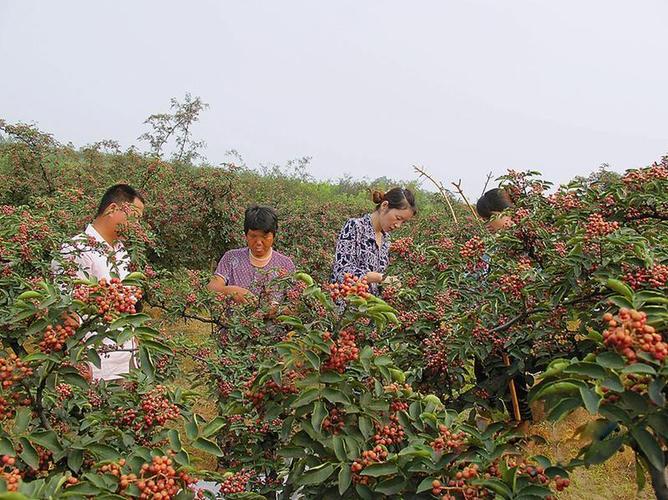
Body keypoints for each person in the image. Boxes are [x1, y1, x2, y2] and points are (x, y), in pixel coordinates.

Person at [53, 184, 145, 381]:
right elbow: (66, 310)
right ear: (112, 209)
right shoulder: (76, 249)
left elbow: (128, 305)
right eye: (134, 218)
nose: (137, 226)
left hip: (126, 361)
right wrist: (78, 359)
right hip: (94, 366)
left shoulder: (122, 252)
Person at [331, 187, 417, 296]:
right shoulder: (355, 227)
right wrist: (380, 278)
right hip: (347, 307)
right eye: (398, 218)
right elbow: (342, 272)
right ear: (384, 206)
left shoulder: (386, 240)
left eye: (403, 222)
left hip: (372, 310)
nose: (398, 225)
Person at [207, 205, 295, 302]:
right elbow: (212, 288)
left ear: (273, 235)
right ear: (246, 235)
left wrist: (277, 310)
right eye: (253, 236)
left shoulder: (285, 264)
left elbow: (296, 303)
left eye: (265, 237)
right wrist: (231, 291)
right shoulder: (231, 258)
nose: (258, 242)